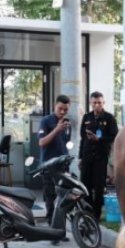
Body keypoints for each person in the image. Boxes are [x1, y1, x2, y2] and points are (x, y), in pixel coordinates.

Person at [78, 91, 119, 220]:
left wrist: (99, 139)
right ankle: (88, 211)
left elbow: (114, 136)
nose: (97, 105)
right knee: (85, 185)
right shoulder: (87, 117)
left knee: (99, 186)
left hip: (100, 158)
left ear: (103, 103)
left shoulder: (109, 118)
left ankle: (96, 214)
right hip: (87, 156)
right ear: (90, 103)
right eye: (94, 103)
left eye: (99, 103)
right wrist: (80, 157)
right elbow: (83, 138)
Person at [38, 95, 72, 233]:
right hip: (48, 165)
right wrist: (57, 130)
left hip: (62, 165)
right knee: (50, 197)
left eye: (65, 109)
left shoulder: (66, 122)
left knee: (64, 197)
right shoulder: (46, 121)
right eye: (60, 109)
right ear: (54, 106)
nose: (63, 112)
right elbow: (41, 143)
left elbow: (65, 143)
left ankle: (60, 228)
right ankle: (52, 229)